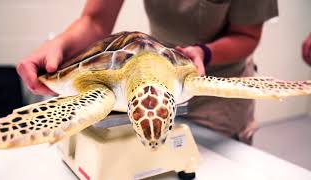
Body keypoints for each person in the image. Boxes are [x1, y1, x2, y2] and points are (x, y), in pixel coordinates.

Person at [17, 0, 278, 144]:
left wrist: (205, 53)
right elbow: (95, 19)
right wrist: (58, 45)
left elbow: (247, 34)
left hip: (215, 89)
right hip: (143, 75)